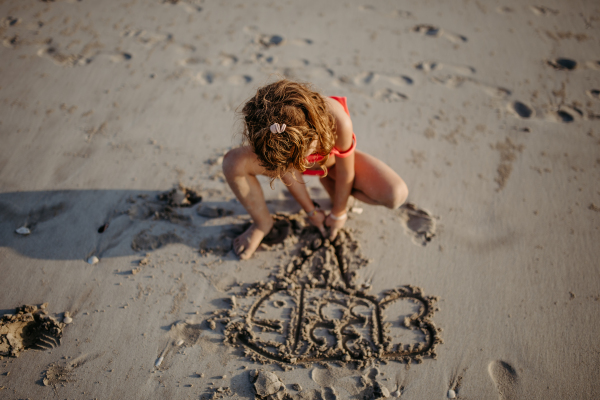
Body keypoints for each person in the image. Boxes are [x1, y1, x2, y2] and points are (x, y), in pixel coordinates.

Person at [222, 79, 408, 259]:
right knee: (233, 162)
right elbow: (288, 171)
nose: (300, 164)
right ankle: (262, 223)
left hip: (332, 165)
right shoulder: (268, 134)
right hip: (285, 159)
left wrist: (338, 213)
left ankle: (334, 187)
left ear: (315, 131)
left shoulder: (337, 121)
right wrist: (310, 211)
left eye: (301, 157)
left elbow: (345, 171)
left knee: (395, 195)